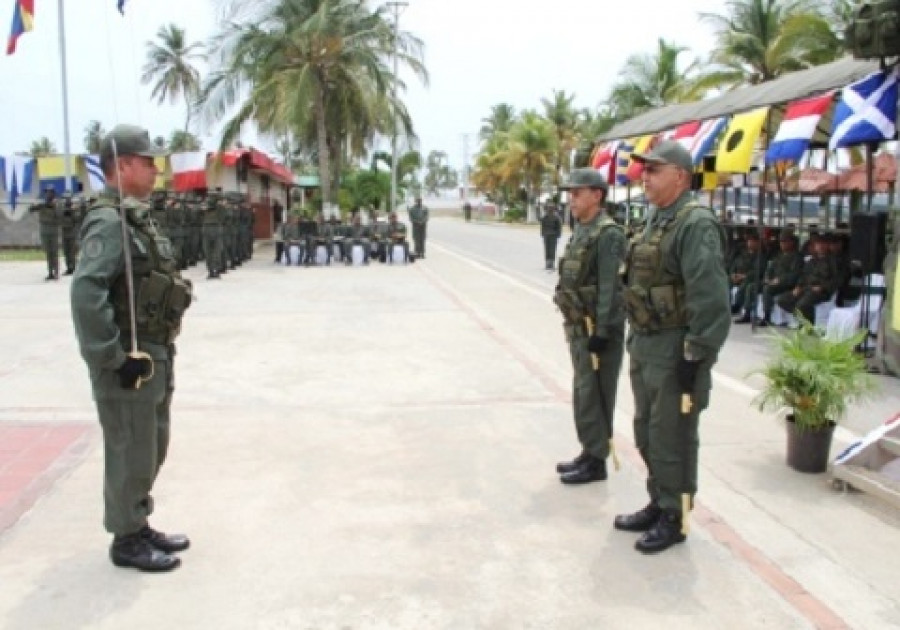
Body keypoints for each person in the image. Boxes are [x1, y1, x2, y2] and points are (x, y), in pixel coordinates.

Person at [70, 124, 193, 572]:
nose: (155, 168)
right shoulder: (107, 221)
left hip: (152, 352)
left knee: (151, 444)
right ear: (122, 166)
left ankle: (136, 522)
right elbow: (87, 292)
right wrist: (112, 358)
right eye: (147, 161)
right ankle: (125, 539)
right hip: (128, 361)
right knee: (131, 447)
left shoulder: (133, 216)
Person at [617, 141, 730, 554]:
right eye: (643, 170)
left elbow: (711, 297)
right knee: (647, 432)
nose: (644, 177)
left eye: (654, 170)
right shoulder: (654, 219)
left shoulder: (694, 223)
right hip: (646, 344)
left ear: (680, 176)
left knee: (674, 437)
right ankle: (659, 499)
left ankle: (676, 516)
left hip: (675, 349)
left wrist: (697, 354)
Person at [553, 169, 626, 485]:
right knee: (583, 393)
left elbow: (611, 286)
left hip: (597, 328)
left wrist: (603, 330)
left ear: (597, 195)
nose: (572, 200)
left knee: (596, 393)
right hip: (578, 325)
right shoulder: (582, 230)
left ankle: (597, 461)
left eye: (577, 193)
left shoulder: (607, 233)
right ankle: (588, 450)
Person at [776, 234, 838, 324]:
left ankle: (807, 324)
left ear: (827, 245)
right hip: (806, 288)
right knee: (783, 300)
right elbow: (803, 275)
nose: (820, 246)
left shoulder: (833, 261)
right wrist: (798, 286)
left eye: (823, 244)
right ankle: (804, 320)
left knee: (802, 304)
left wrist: (823, 287)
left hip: (821, 291)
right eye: (817, 244)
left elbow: (837, 279)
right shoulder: (812, 261)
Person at [730, 232, 764, 322]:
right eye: (749, 241)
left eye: (753, 241)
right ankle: (726, 306)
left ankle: (745, 312)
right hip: (738, 277)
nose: (750, 243)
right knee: (725, 281)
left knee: (747, 287)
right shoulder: (743, 254)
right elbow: (734, 264)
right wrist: (733, 274)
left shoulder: (760, 256)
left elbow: (758, 271)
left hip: (750, 279)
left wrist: (744, 276)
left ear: (757, 243)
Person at [28, 187, 61, 280]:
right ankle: (50, 272)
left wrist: (54, 206)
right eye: (47, 193)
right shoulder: (42, 205)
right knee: (48, 252)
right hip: (44, 231)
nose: (48, 195)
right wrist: (34, 204)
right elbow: (31, 209)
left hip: (53, 231)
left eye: (50, 193)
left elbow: (60, 216)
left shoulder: (57, 205)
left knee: (54, 252)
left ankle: (56, 272)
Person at [540, 204, 563, 271]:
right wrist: (542, 233)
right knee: (548, 249)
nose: (549, 210)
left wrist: (558, 235)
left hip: (553, 235)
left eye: (551, 208)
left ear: (553, 209)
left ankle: (551, 263)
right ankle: (548, 263)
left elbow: (559, 227)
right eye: (549, 209)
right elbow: (543, 226)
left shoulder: (556, 217)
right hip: (547, 235)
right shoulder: (545, 217)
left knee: (552, 249)